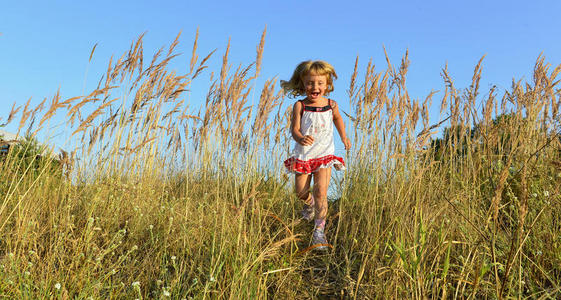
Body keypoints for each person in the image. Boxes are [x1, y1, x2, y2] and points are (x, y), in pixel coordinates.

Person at [281, 60, 351, 250]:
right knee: (301, 192)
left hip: (324, 155)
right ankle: (309, 204)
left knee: (321, 192)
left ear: (327, 85)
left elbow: (338, 119)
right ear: (303, 83)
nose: (315, 87)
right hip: (304, 155)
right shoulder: (300, 105)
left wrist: (344, 137)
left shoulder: (331, 105)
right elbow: (294, 129)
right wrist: (300, 138)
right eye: (310, 83)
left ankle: (319, 232)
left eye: (320, 83)